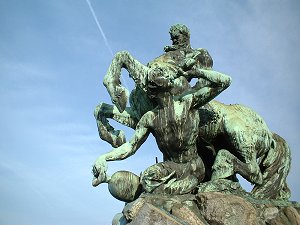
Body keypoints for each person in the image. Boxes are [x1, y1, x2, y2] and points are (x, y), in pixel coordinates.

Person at [92, 67, 231, 194]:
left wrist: (197, 72)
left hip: (194, 166)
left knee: (149, 183)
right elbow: (130, 146)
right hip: (172, 167)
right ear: (156, 87)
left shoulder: (187, 102)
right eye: (162, 74)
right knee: (148, 177)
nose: (168, 75)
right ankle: (183, 188)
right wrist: (103, 158)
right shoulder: (150, 118)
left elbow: (225, 81)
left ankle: (189, 185)